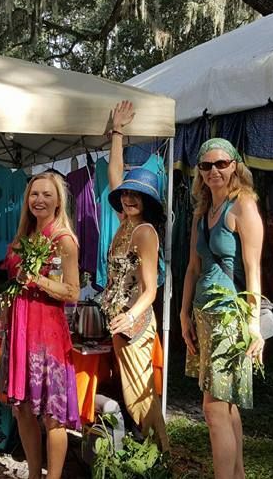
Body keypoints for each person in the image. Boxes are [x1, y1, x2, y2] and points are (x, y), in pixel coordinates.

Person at [180, 138, 265, 479]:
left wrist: (255, 325)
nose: (214, 171)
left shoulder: (243, 206)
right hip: (203, 315)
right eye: (205, 166)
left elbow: (254, 268)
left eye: (221, 164)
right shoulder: (202, 211)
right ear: (199, 172)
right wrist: (183, 313)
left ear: (235, 166)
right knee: (225, 406)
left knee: (213, 409)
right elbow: (191, 267)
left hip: (229, 316)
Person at [100, 100, 170, 450]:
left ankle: (157, 451)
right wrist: (118, 132)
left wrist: (129, 316)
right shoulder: (125, 224)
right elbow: (116, 177)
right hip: (119, 320)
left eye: (136, 195)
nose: (128, 197)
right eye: (126, 193)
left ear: (148, 201)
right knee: (133, 391)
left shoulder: (143, 232)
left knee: (138, 392)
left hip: (135, 323)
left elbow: (151, 290)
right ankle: (155, 449)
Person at [5, 172, 81, 479]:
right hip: (21, 328)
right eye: (34, 194)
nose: (39, 200)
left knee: (53, 413)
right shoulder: (24, 236)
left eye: (47, 194)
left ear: (58, 200)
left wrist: (36, 279)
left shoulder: (63, 239)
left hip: (47, 332)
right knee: (22, 408)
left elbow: (73, 292)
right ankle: (34, 474)